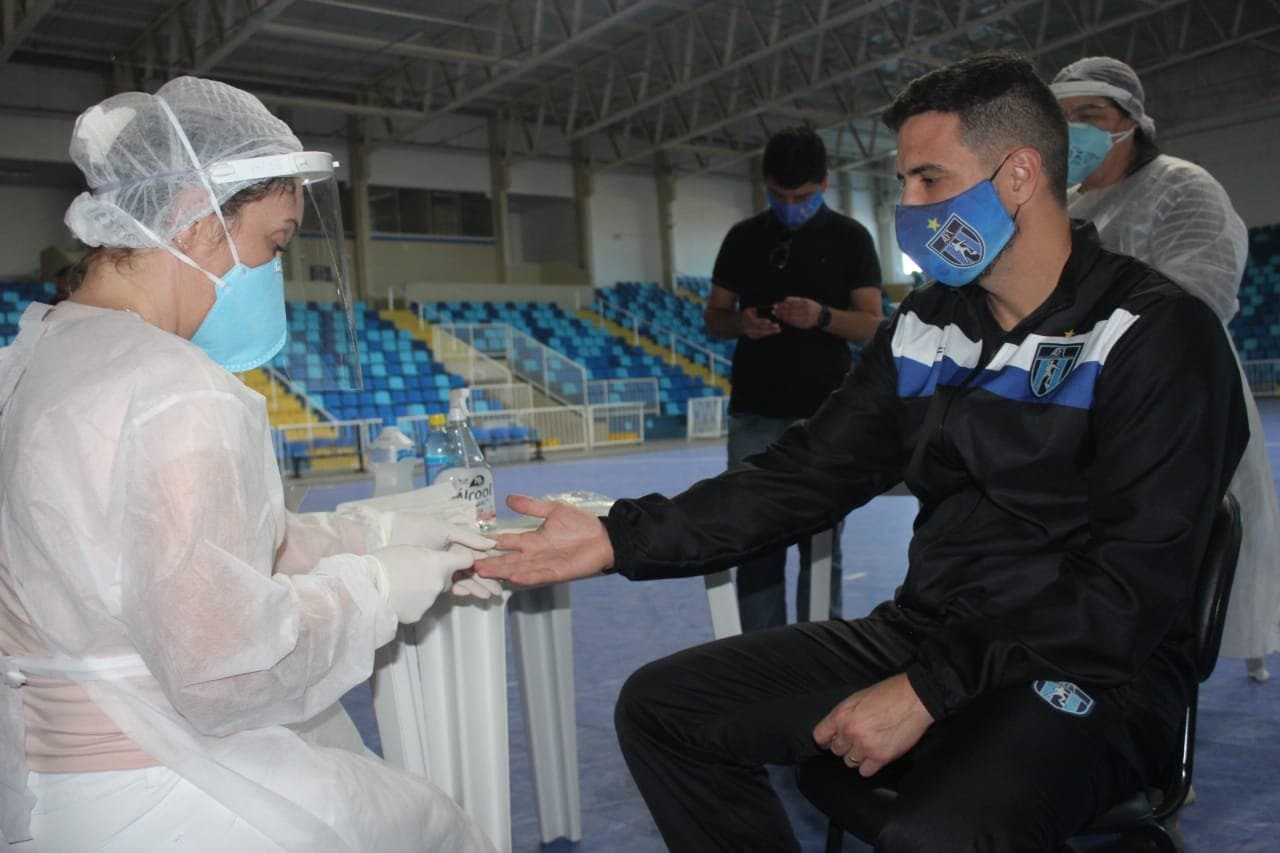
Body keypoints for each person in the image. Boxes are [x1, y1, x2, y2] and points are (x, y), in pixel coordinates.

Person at [477, 52, 1249, 851]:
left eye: (928, 179)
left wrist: (927, 689)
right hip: (930, 629)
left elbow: (1129, 591)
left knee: (937, 830)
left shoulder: (1152, 334)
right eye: (902, 183)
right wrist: (617, 535)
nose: (906, 206)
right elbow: (808, 470)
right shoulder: (929, 322)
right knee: (664, 708)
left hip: (1092, 671)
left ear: (1019, 175)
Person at [0, 76, 501, 851]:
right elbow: (223, 673)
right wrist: (375, 589)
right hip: (163, 780)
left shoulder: (35, 357)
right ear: (195, 221)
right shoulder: (174, 389)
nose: (274, 271)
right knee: (439, 829)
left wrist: (369, 530)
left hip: (56, 785)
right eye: (272, 243)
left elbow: (174, 555)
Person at [1051, 55, 1279, 683]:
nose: (1073, 131)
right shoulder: (1057, 206)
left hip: (1174, 394)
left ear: (1131, 120)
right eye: (1061, 118)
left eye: (1090, 115)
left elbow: (1200, 293)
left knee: (1178, 555)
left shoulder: (1179, 186)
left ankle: (1165, 718)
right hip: (1075, 399)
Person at [704, 126, 883, 632]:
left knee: (822, 543)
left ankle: (816, 650)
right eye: (779, 196)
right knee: (753, 541)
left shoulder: (851, 238)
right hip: (755, 414)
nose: (790, 205)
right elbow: (714, 318)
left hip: (827, 416)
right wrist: (742, 323)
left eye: (801, 197)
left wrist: (822, 316)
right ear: (764, 184)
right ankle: (760, 656)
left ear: (825, 182)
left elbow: (873, 325)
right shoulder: (742, 238)